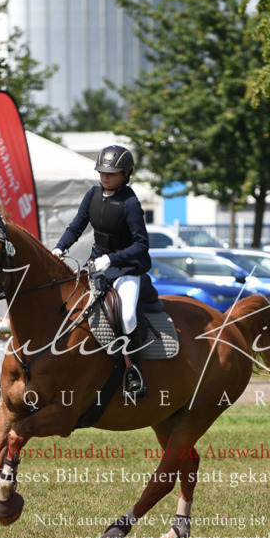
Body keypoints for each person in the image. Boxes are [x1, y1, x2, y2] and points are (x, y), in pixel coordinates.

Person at [53, 145, 151, 397]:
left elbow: (141, 245)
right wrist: (59, 248)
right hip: (98, 264)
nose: (105, 176)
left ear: (125, 174)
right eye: (102, 171)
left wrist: (112, 258)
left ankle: (134, 372)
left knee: (127, 315)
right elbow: (76, 226)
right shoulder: (93, 195)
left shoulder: (130, 203)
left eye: (111, 173)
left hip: (127, 268)